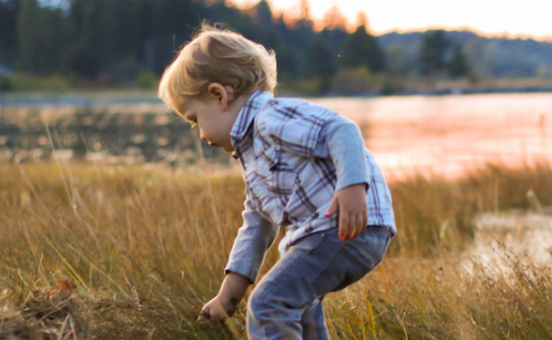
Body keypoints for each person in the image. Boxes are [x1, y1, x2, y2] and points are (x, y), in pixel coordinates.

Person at [157, 24, 396, 339]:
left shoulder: (270, 119)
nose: (200, 133)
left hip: (344, 227)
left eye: (195, 118)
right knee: (300, 308)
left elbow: (342, 130)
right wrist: (227, 296)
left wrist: (352, 186)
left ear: (219, 95)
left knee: (269, 303)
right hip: (334, 233)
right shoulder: (253, 154)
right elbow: (256, 228)